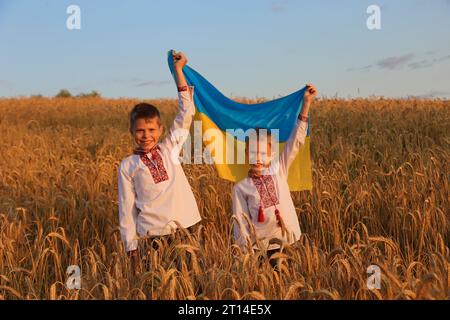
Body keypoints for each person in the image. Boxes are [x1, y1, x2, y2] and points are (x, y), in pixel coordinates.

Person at [118, 51, 201, 273]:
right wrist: (131, 247)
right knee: (157, 286)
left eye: (152, 130)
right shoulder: (128, 166)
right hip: (152, 236)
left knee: (192, 284)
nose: (146, 135)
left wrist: (178, 71)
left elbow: (186, 113)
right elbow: (127, 210)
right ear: (132, 132)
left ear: (161, 130)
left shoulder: (170, 148)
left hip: (186, 227)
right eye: (140, 131)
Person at [232, 84, 318, 260]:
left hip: (289, 241)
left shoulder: (278, 169)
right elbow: (240, 223)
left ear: (271, 154)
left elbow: (295, 142)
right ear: (246, 154)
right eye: (253, 152)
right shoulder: (241, 188)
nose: (258, 158)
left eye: (263, 153)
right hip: (261, 249)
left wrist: (306, 105)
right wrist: (246, 253)